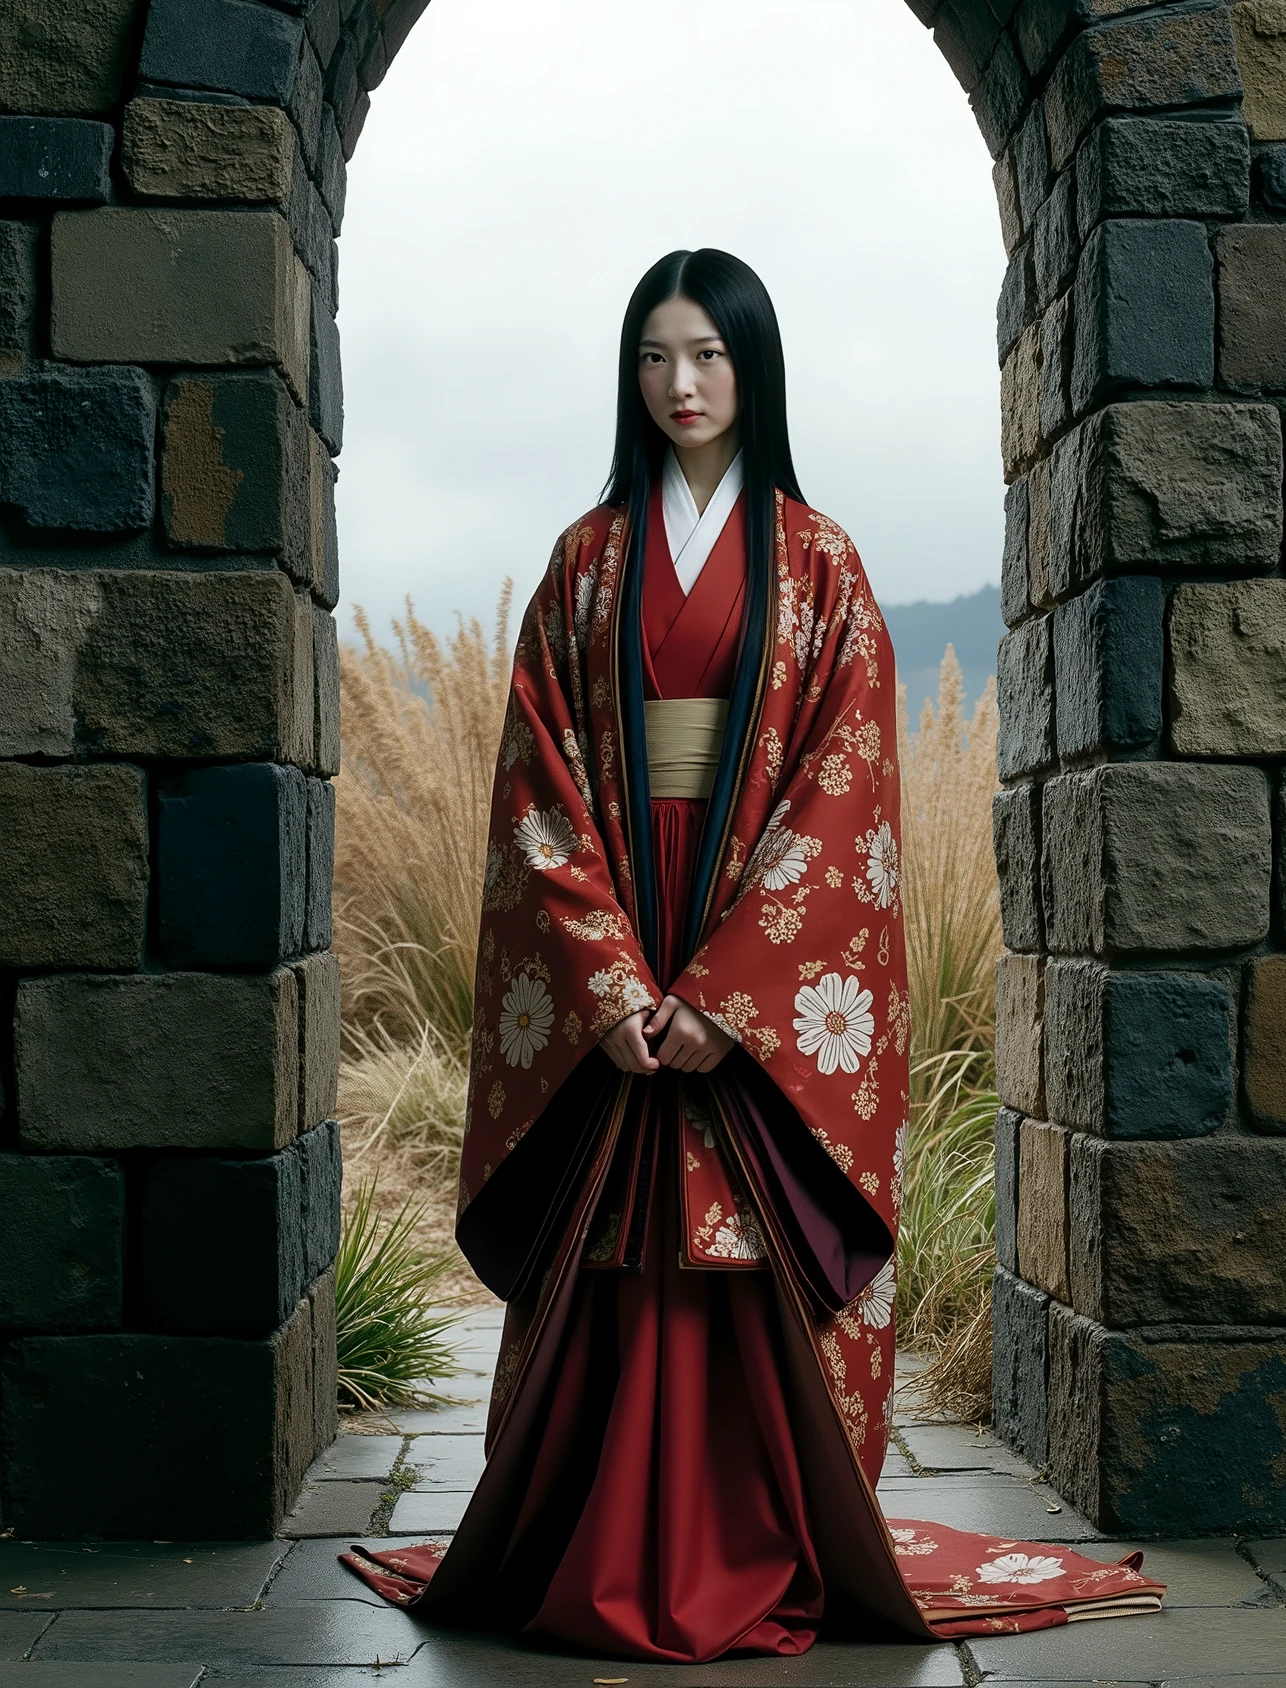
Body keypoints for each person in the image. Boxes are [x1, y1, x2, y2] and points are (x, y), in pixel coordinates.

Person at [343, 250, 1164, 1659]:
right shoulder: (587, 562)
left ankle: (761, 1537)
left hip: (750, 930)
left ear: (753, 367)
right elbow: (539, 784)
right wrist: (607, 985)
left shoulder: (821, 561)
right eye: (655, 357)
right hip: (624, 905)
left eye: (708, 355)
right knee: (619, 1225)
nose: (681, 384)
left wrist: (733, 994)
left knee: (739, 1220)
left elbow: (847, 793)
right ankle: (592, 1532)